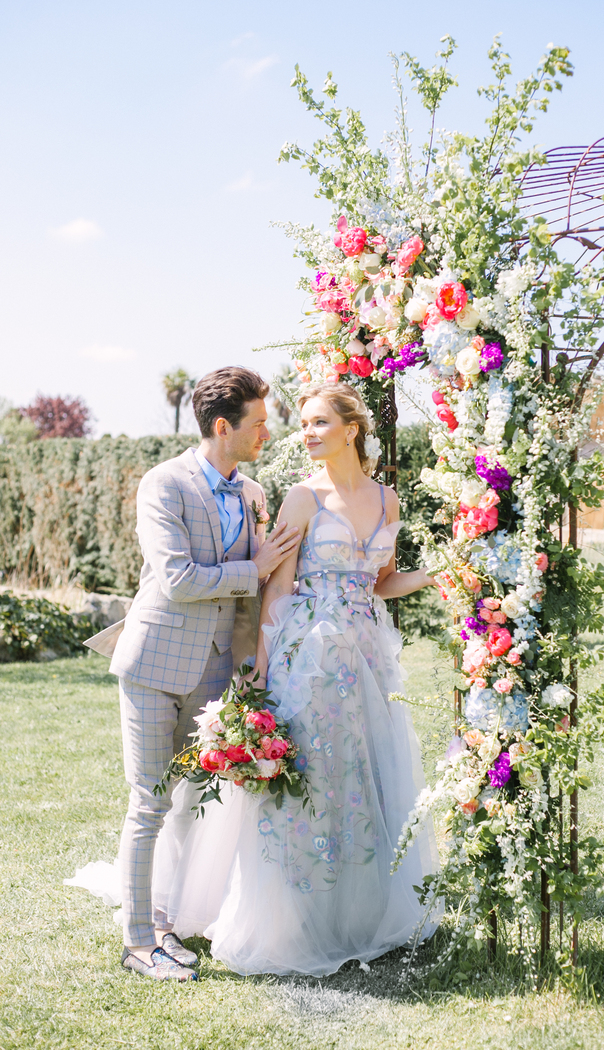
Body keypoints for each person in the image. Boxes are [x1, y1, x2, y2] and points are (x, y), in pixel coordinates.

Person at [148, 382, 441, 977]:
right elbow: (276, 589)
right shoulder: (302, 499)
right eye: (302, 423)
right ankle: (289, 917)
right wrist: (261, 667)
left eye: (317, 423)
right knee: (308, 780)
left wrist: (439, 573)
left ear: (351, 429)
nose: (304, 433)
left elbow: (380, 581)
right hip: (308, 657)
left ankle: (359, 913)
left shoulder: (390, 501)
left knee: (366, 778)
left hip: (368, 657)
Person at [83, 367, 300, 981]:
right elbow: (177, 580)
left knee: (186, 803)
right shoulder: (164, 485)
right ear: (223, 426)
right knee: (149, 802)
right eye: (258, 423)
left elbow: (253, 597)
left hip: (213, 673)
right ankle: (137, 943)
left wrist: (257, 654)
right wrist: (252, 569)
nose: (267, 431)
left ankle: (164, 920)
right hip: (153, 665)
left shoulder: (255, 493)